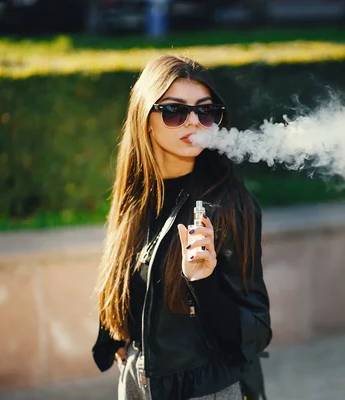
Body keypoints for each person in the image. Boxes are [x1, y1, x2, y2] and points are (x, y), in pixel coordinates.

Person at [92, 54, 273, 400]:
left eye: (206, 112)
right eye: (174, 111)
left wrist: (203, 282)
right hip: (138, 383)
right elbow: (125, 277)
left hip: (204, 390)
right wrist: (116, 339)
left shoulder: (230, 206)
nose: (193, 122)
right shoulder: (136, 196)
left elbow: (254, 333)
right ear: (145, 120)